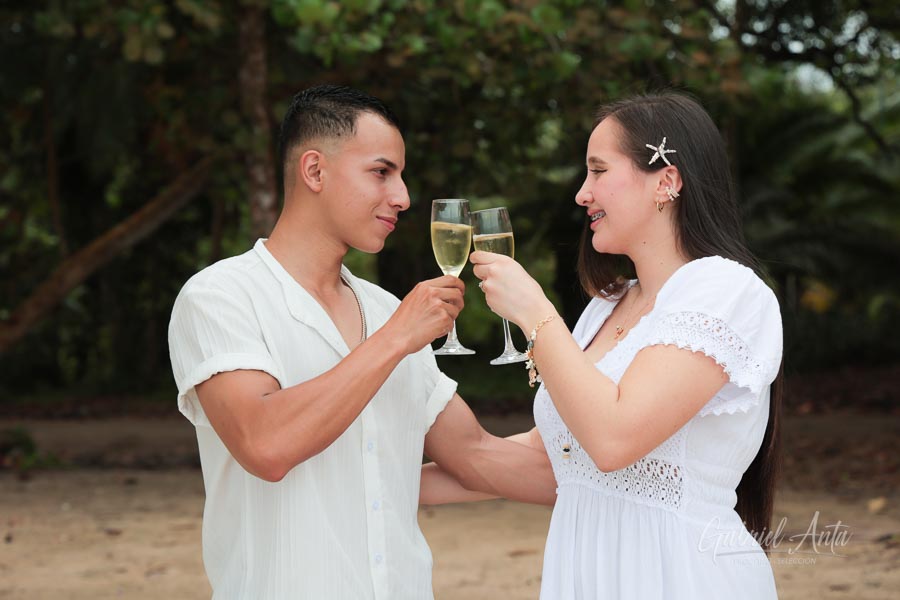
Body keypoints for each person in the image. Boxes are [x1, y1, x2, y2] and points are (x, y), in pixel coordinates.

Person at [167, 85, 554, 599]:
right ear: (314, 171)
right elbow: (265, 446)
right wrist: (396, 339)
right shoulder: (220, 296)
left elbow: (475, 455)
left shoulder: (387, 309)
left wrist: (610, 457)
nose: (404, 197)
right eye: (381, 172)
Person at [426, 92, 784, 598]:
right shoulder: (606, 306)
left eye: (598, 171)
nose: (582, 194)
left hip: (680, 577)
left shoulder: (726, 291)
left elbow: (613, 439)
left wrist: (535, 313)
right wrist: (380, 474)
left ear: (666, 181)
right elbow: (556, 463)